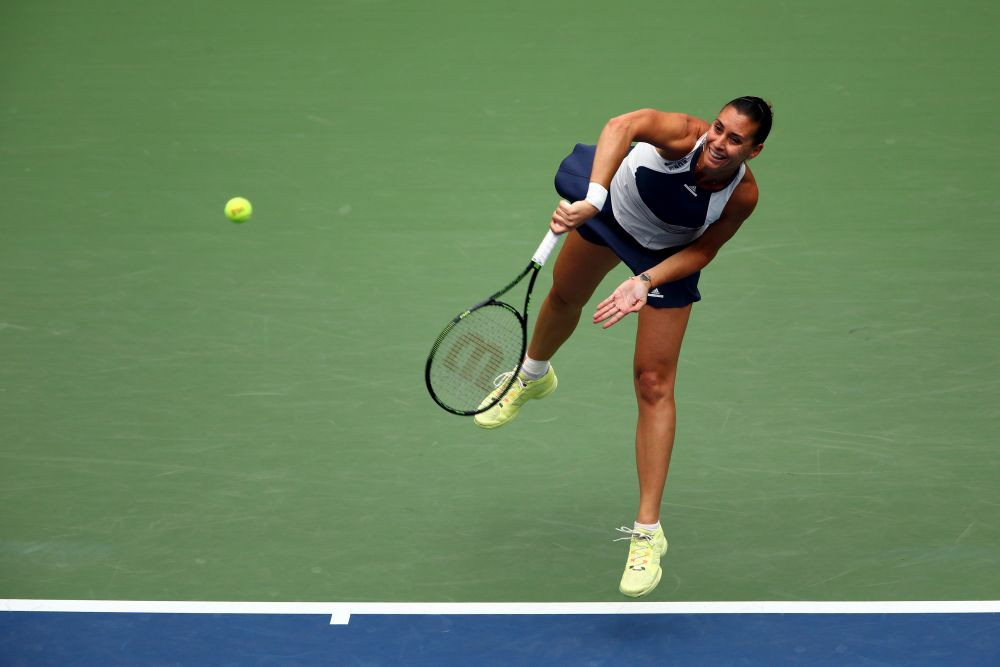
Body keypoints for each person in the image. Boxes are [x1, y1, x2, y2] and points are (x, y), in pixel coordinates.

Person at [474, 97, 773, 597]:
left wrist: (645, 281)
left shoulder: (742, 196)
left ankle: (647, 534)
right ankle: (530, 376)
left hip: (664, 255)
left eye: (735, 139)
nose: (719, 143)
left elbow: (704, 249)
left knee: (653, 383)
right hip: (612, 210)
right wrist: (592, 197)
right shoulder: (682, 134)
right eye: (720, 129)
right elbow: (621, 124)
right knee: (565, 297)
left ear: (755, 149)